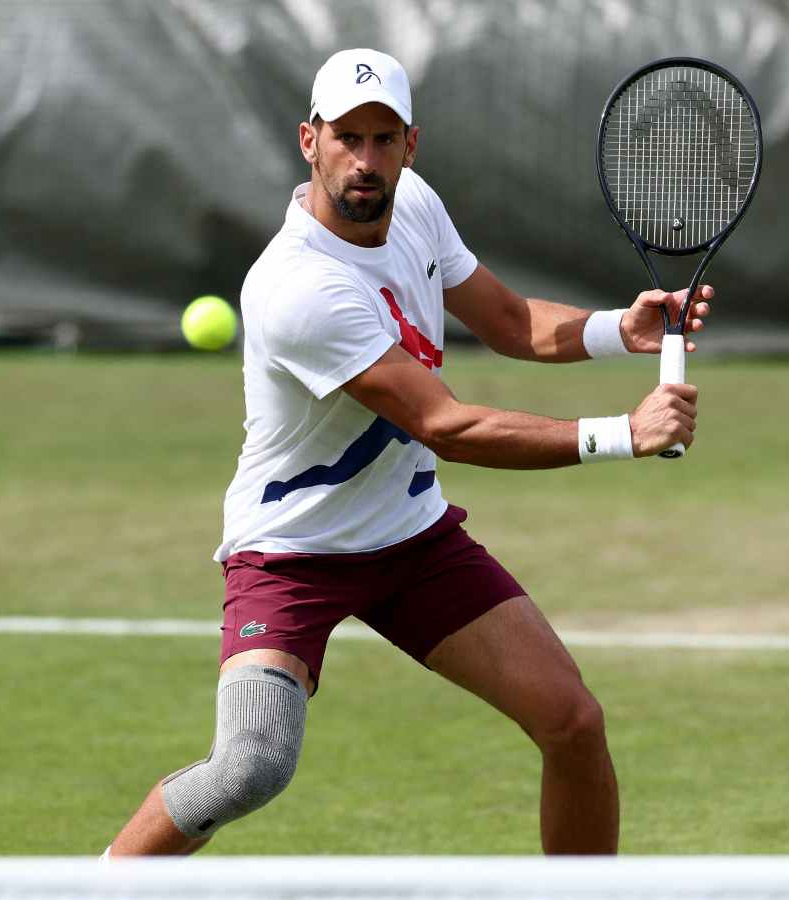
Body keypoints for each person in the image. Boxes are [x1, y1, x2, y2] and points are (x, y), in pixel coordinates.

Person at [106, 48, 711, 857]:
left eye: (383, 138)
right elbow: (445, 425)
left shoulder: (415, 204)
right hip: (295, 552)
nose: (366, 159)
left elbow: (505, 321)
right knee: (249, 766)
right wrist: (623, 434)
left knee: (572, 722)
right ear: (308, 141)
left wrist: (616, 330)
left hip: (409, 538)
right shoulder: (298, 288)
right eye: (347, 137)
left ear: (411, 145)